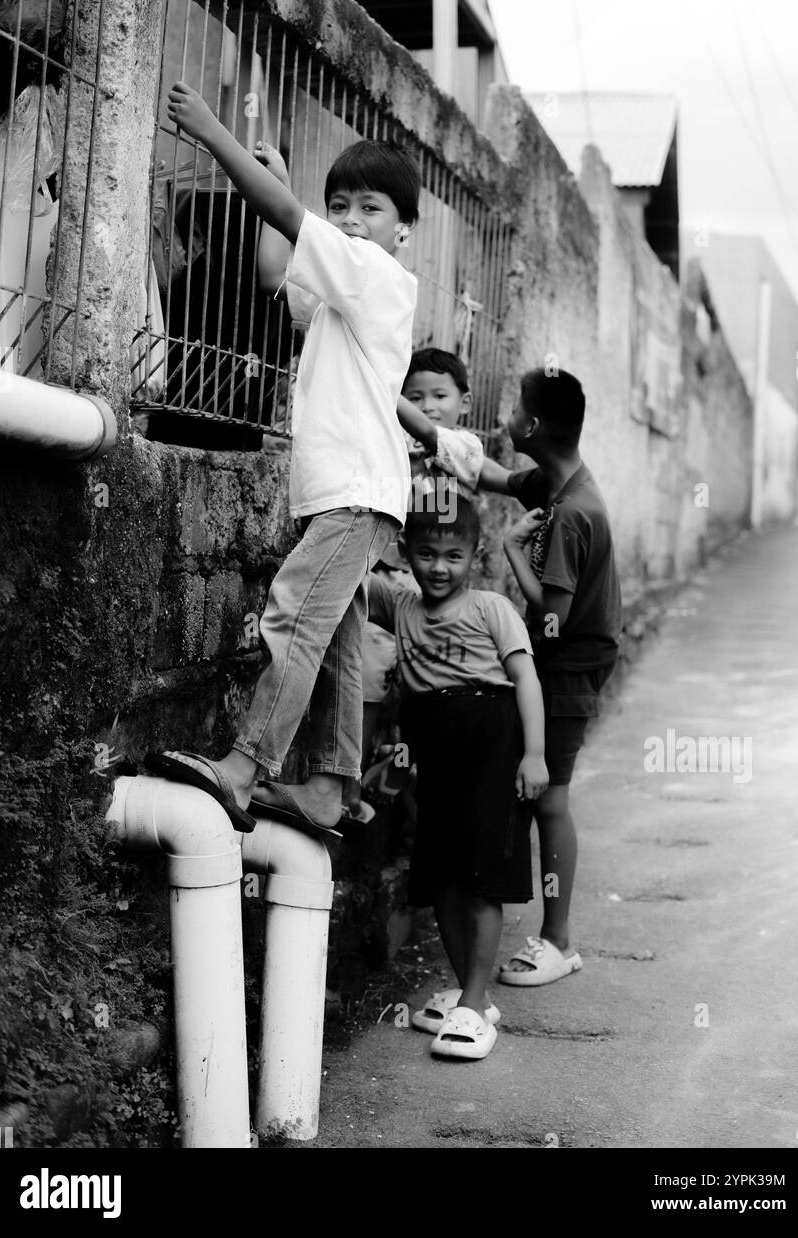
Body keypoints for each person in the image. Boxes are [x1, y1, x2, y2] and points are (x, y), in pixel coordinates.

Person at [146, 80, 419, 835]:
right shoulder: (340, 293)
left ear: (405, 232)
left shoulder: (378, 277)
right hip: (351, 492)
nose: (353, 221)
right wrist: (281, 176)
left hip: (357, 491)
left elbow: (283, 217)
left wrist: (213, 136)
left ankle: (244, 768)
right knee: (334, 644)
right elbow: (276, 269)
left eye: (373, 209)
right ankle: (331, 786)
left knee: (293, 616)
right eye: (343, 206)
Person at [369, 498, 549, 1059]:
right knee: (441, 875)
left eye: (453, 555)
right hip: (434, 751)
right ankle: (470, 993)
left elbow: (526, 680)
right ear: (406, 555)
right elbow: (349, 563)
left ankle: (474, 1002)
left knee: (481, 876)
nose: (440, 567)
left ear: (475, 555)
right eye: (426, 554)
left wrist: (535, 756)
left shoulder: (492, 607)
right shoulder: (398, 605)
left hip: (493, 744)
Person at [479, 367, 622, 986]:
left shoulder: (570, 514)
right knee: (540, 794)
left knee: (552, 800)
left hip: (568, 665)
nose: (507, 416)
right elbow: (494, 475)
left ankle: (558, 940)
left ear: (531, 426)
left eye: (514, 408)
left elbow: (554, 617)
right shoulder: (558, 482)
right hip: (561, 663)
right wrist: (421, 425)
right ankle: (551, 932)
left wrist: (511, 553)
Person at [349, 347, 485, 822]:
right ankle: (353, 779)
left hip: (437, 592)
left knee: (424, 699)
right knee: (366, 677)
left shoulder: (463, 447)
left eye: (439, 395)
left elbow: (431, 434)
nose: (428, 406)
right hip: (385, 586)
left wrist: (383, 386)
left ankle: (413, 800)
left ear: (464, 402)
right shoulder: (389, 445)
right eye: (415, 396)